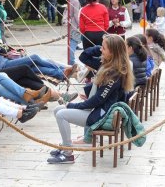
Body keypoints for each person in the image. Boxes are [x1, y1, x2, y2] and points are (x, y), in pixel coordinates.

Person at [46, 34, 134, 164]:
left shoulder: (115, 72)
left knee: (61, 114)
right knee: (58, 110)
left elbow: (97, 100)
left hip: (103, 117)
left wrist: (72, 105)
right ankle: (66, 145)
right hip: (100, 111)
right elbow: (84, 57)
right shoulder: (110, 65)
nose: (100, 51)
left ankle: (67, 153)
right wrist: (100, 46)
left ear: (113, 52)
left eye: (103, 48)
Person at [0, 27, 77, 81]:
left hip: (7, 61)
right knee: (35, 58)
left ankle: (61, 73)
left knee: (33, 67)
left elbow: (0, 51)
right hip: (2, 66)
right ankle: (63, 68)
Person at [68, 0, 83, 65]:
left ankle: (70, 60)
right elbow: (76, 15)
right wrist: (80, 26)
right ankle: (71, 61)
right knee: (73, 42)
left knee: (71, 42)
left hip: (70, 24)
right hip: (74, 26)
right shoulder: (76, 1)